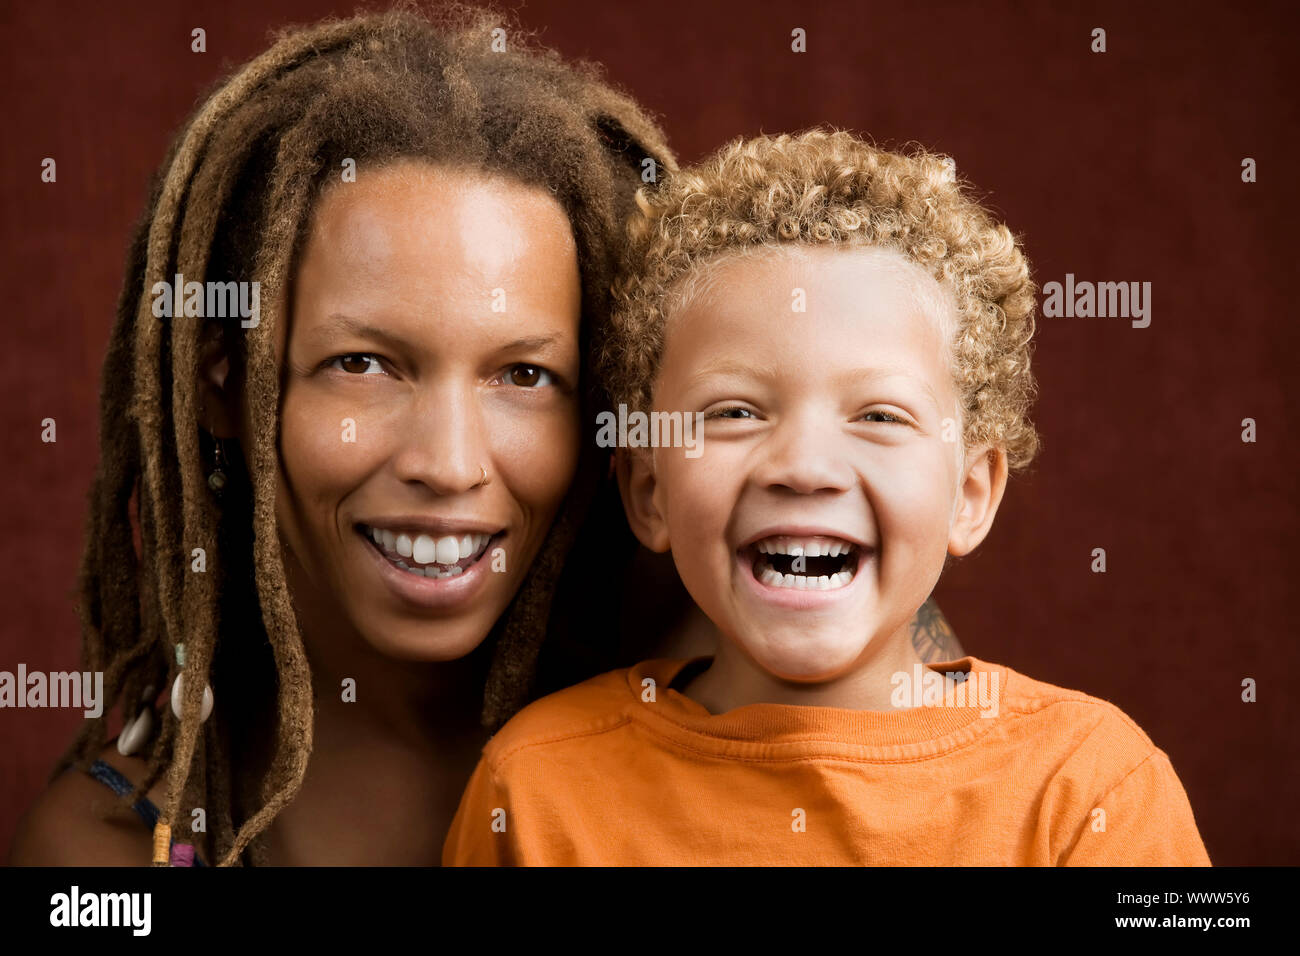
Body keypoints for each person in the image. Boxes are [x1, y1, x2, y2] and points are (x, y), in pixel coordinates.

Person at [8, 5, 677, 866]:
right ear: (226, 386)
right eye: (363, 364)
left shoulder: (716, 709)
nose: (448, 463)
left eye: (524, 375)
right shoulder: (107, 861)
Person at [441, 129, 1211, 865]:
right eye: (735, 412)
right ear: (649, 492)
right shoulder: (537, 788)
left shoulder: (1089, 790)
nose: (804, 467)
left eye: (879, 416)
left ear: (970, 494)